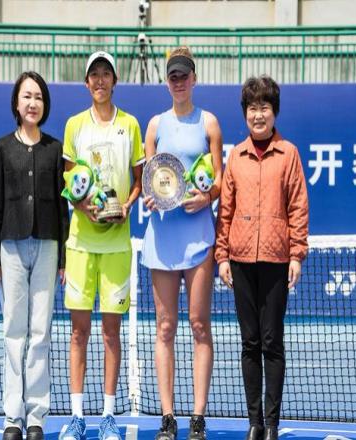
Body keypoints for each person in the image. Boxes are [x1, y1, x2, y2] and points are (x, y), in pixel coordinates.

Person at [215, 75, 309, 440]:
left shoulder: (289, 154)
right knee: (250, 342)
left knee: (272, 342)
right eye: (252, 108)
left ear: (274, 112)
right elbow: (225, 210)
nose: (258, 115)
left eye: (264, 108)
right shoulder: (236, 157)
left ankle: (271, 424)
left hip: (276, 261)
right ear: (245, 113)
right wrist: (222, 256)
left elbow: (298, 206)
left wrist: (296, 254)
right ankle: (253, 422)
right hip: (240, 260)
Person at [60, 51, 144, 440]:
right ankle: (77, 417)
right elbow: (68, 181)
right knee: (79, 333)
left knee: (111, 332)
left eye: (105, 74)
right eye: (93, 75)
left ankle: (108, 416)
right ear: (86, 83)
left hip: (117, 246)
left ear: (115, 80)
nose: (99, 80)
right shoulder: (74, 125)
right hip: (80, 243)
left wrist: (126, 207)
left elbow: (140, 179)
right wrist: (83, 208)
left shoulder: (130, 125)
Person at [141, 46, 223, 440]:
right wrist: (149, 197)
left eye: (183, 76)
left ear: (194, 79)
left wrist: (207, 198)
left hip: (199, 237)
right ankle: (168, 417)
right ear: (167, 82)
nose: (178, 82)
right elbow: (150, 180)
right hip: (163, 237)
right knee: (165, 327)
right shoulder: (155, 125)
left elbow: (220, 180)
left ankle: (198, 418)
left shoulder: (209, 123)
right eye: (172, 77)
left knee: (200, 325)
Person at [0, 71, 69, 440]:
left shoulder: (54, 148)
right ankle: (12, 418)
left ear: (44, 104)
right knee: (13, 332)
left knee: (40, 333)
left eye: (38, 97)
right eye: (27, 96)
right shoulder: (2, 148)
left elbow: (63, 208)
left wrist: (63, 256)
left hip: (48, 244)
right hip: (11, 246)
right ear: (16, 104)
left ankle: (36, 417)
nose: (33, 103)